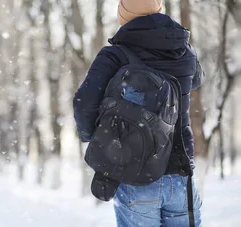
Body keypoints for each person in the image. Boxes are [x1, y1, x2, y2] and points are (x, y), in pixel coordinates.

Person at [73, 0, 203, 226]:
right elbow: (198, 80)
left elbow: (84, 103)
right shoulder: (185, 51)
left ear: (123, 15)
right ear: (159, 9)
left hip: (136, 173)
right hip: (181, 176)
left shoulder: (115, 55)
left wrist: (96, 138)